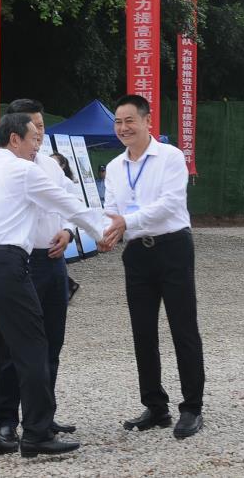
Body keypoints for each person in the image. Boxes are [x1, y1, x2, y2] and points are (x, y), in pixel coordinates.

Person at [0, 112, 113, 459]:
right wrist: (101, 230)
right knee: (32, 347)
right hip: (6, 263)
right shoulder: (24, 170)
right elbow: (67, 203)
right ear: (14, 139)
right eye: (33, 139)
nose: (37, 146)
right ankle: (37, 433)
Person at [101, 94, 206, 440]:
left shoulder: (170, 157)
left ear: (148, 121)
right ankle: (155, 405)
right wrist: (106, 233)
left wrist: (125, 222)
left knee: (183, 327)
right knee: (143, 331)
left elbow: (170, 203)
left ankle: (192, 407)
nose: (123, 128)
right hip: (136, 252)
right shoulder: (115, 167)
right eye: (118, 122)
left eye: (129, 120)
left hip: (172, 247)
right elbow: (111, 210)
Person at [0, 99, 80, 446]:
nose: (40, 134)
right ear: (16, 132)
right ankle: (6, 419)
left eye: (43, 127)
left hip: (53, 261)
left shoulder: (49, 166)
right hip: (20, 261)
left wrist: (69, 231)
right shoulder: (0, 170)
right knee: (12, 346)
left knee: (51, 343)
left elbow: (72, 203)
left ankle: (42, 416)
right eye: (34, 128)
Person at [50, 152, 81, 300]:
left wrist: (68, 228)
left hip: (61, 227)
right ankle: (69, 286)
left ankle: (67, 287)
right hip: (52, 225)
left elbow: (75, 204)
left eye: (55, 163)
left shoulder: (66, 182)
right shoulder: (47, 181)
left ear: (63, 166)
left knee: (56, 259)